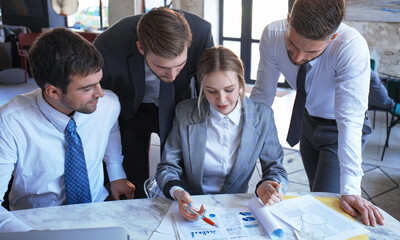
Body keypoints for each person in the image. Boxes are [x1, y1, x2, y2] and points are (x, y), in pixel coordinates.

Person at [250, 0, 384, 226]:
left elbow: (349, 120)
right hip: (307, 121)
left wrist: (351, 189)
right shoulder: (272, 34)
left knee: (328, 204)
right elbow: (262, 96)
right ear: (289, 20)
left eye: (311, 51)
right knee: (316, 193)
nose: (298, 57)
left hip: (338, 129)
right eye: (292, 45)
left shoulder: (350, 47)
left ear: (331, 38)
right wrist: (244, 142)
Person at [0, 28, 135, 232]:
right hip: (34, 221)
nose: (100, 93)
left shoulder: (108, 104)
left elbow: (110, 130)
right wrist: (34, 237)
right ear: (53, 91)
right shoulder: (10, 122)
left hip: (97, 212)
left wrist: (116, 173)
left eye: (99, 82)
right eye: (87, 88)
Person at [94, 7, 214, 198]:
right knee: (131, 173)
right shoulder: (109, 45)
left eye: (179, 65)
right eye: (162, 67)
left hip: (177, 103)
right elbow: (102, 109)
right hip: (130, 106)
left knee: (180, 168)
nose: (173, 75)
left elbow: (207, 86)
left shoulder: (201, 33)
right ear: (141, 48)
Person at [156, 46, 288, 220]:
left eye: (229, 89)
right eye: (211, 91)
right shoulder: (185, 112)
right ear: (201, 86)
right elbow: (167, 167)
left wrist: (270, 185)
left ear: (241, 83)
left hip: (235, 207)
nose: (221, 99)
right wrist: (178, 192)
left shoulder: (262, 116)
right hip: (192, 206)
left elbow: (275, 168)